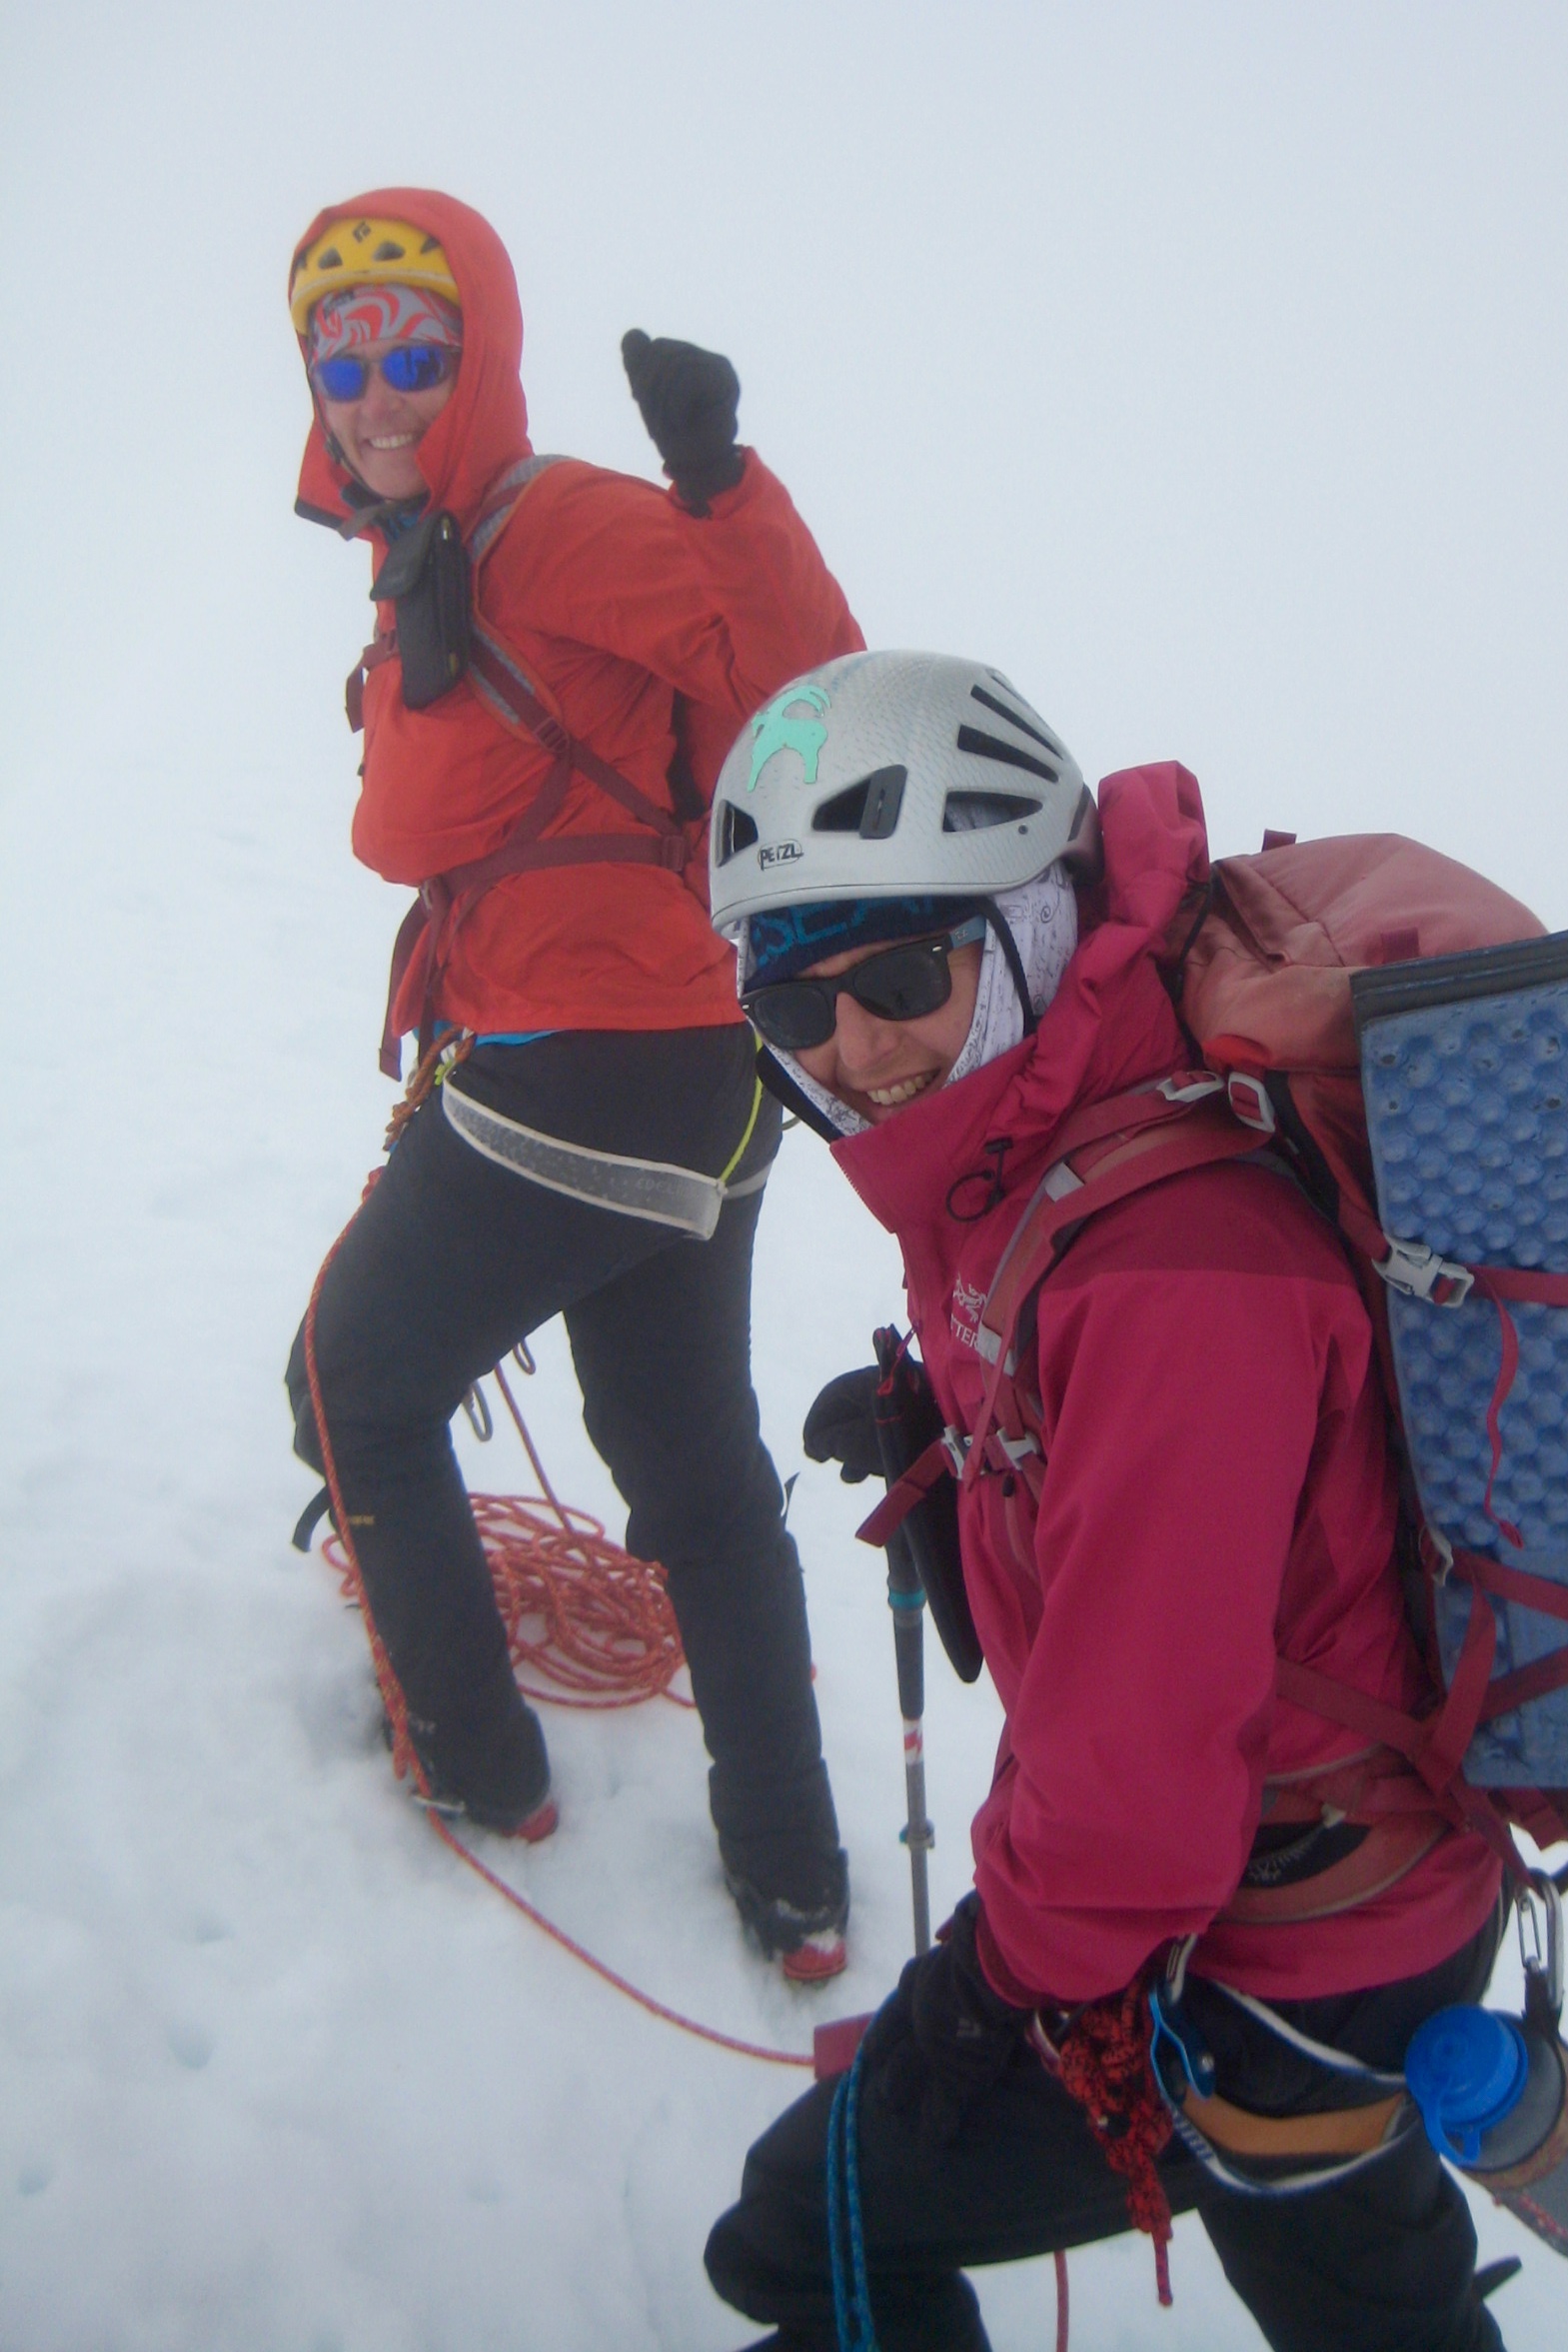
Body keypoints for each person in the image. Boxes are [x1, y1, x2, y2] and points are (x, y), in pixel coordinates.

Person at [699, 651, 1514, 2345]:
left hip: (1274, 1947)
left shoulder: (1169, 1271)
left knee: (806, 2232)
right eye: (797, 1007)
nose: (856, 1048)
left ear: (1030, 927)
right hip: (1365, 1894)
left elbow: (1131, 1803)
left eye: (905, 972)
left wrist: (984, 1994)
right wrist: (953, 1416)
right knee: (1367, 2293)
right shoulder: (1059, 1114)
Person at [283, 188, 860, 1979]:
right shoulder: (434, 553)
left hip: (588, 1070)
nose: (378, 389)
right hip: (690, 1069)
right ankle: (796, 1876)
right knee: (690, 1467)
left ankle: (475, 1764)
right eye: (343, 354)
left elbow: (807, 697)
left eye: (417, 349)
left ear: (485, 354)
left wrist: (722, 489)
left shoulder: (557, 524)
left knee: (352, 1383)